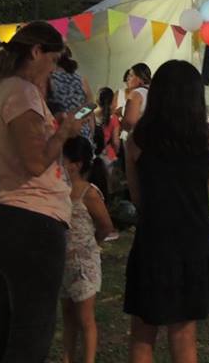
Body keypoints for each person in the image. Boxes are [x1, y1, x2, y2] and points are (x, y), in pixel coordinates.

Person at [0, 22, 92, 363]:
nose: (53, 69)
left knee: (6, 319)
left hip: (2, 217)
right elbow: (36, 161)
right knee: (32, 328)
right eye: (53, 60)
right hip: (27, 222)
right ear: (37, 52)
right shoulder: (21, 92)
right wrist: (64, 132)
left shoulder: (1, 89)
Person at [124, 60, 209, 363]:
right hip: (194, 241)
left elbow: (138, 198)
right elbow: (202, 194)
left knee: (143, 335)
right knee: (183, 334)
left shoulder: (138, 141)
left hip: (155, 241)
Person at [60, 135, 116, 363]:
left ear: (76, 164)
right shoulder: (60, 190)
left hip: (83, 263)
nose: (59, 165)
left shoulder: (89, 193)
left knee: (85, 318)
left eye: (63, 160)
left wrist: (93, 243)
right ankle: (67, 358)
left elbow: (105, 225)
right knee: (67, 316)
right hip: (64, 262)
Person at [49, 48, 94, 140]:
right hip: (81, 131)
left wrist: (68, 121)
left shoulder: (49, 78)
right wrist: (77, 117)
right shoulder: (81, 79)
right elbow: (90, 106)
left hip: (59, 132)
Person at [121, 63, 151, 132]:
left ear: (140, 78)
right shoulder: (154, 92)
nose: (127, 78)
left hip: (138, 138)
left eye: (131, 76)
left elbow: (129, 123)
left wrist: (122, 121)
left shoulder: (136, 93)